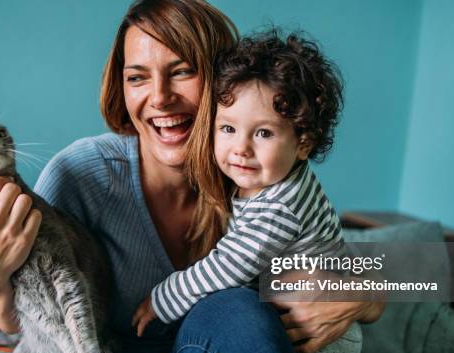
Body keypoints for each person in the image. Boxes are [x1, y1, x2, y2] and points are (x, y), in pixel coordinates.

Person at [0, 1, 384, 353]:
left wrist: (365, 294)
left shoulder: (253, 171)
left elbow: (413, 268)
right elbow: (23, 330)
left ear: (223, 83)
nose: (159, 97)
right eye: (137, 77)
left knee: (235, 309)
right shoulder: (83, 174)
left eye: (181, 72)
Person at [133, 30, 347, 329]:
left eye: (264, 133)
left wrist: (163, 298)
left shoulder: (280, 206)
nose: (242, 149)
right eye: (228, 129)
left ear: (304, 144)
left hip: (316, 332)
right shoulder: (262, 179)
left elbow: (228, 266)